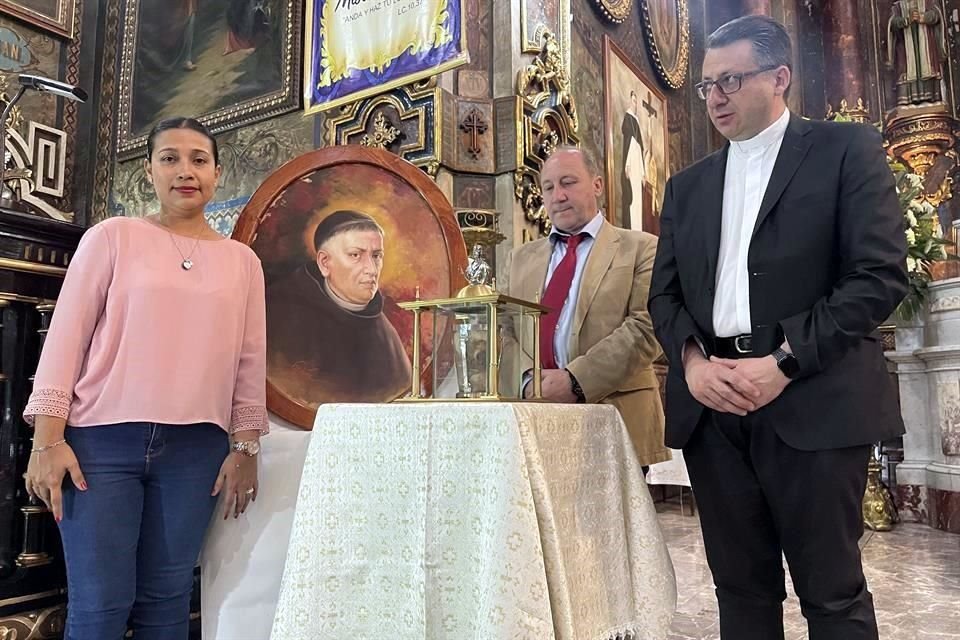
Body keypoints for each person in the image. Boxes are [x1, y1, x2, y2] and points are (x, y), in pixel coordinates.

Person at [648, 16, 907, 640]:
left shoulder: (846, 151)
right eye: (707, 85)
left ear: (780, 77)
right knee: (740, 593)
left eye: (730, 81)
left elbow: (877, 276)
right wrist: (691, 363)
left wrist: (784, 362)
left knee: (832, 594)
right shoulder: (688, 187)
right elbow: (665, 294)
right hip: (715, 410)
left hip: (812, 398)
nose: (714, 97)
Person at [22, 117, 267, 640]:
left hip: (196, 450)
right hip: (99, 446)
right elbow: (66, 338)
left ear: (217, 173)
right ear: (150, 171)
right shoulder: (112, 237)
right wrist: (47, 440)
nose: (186, 170)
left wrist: (246, 449)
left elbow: (250, 360)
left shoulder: (242, 262)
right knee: (100, 606)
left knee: (168, 602)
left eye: (199, 160)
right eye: (170, 158)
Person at [506, 145, 668, 467]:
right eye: (548, 188)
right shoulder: (519, 259)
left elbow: (647, 327)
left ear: (597, 185)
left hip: (615, 418)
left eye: (568, 182)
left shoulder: (641, 248)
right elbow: (503, 328)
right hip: (534, 417)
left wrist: (575, 381)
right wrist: (528, 381)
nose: (558, 196)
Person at [266, 210, 411, 407]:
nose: (371, 268)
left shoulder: (387, 337)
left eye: (376, 256)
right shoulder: (279, 313)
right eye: (355, 255)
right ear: (324, 263)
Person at [621, 90, 647, 232]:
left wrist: (643, 172)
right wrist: (627, 164)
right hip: (631, 161)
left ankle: (638, 227)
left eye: (636, 101)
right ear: (629, 101)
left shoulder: (636, 120)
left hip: (638, 161)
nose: (635, 103)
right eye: (633, 100)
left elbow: (639, 146)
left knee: (638, 197)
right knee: (631, 195)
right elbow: (629, 143)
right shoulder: (627, 117)